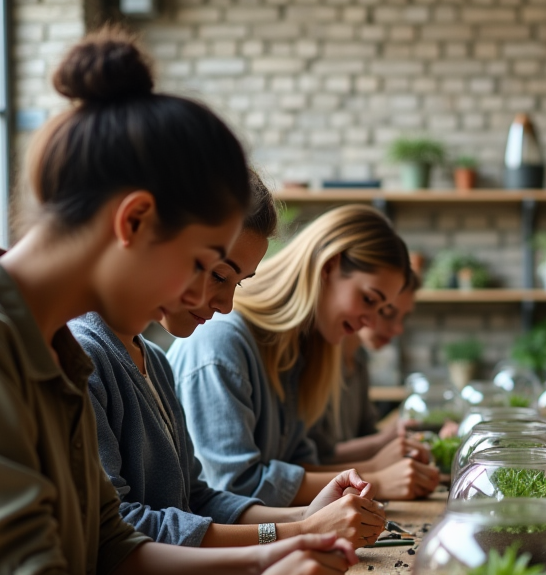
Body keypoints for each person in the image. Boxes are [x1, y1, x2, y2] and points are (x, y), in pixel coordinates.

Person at [0, 29, 355, 575]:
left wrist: (271, 558)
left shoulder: (57, 351)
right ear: (134, 221)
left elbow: (118, 554)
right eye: (203, 263)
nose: (201, 296)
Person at [71, 171, 386, 548]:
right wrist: (299, 531)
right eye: (218, 275)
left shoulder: (154, 359)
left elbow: (198, 500)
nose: (225, 304)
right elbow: (121, 531)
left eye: (237, 283)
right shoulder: (84, 356)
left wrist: (308, 516)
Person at [169, 204, 439, 506]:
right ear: (328, 267)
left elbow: (300, 466)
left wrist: (373, 472)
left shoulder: (295, 352)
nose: (372, 323)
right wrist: (376, 477)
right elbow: (235, 486)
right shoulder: (220, 342)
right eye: (368, 300)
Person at [309, 269, 421, 466]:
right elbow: (315, 454)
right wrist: (384, 440)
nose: (398, 329)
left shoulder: (360, 360)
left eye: (404, 318)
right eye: (387, 313)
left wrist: (394, 434)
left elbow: (366, 432)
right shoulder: (317, 361)